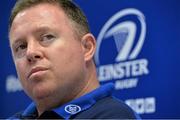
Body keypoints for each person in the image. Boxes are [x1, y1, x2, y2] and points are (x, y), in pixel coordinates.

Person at [8, 0, 140, 119]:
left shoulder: (115, 116)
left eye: (47, 37)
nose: (30, 52)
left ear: (87, 48)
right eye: (21, 46)